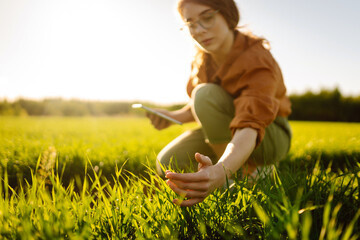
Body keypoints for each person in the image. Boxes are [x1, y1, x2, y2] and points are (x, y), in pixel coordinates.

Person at [146, 0, 292, 207]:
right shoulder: (202, 59)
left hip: (268, 133)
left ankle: (247, 173)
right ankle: (229, 171)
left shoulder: (258, 59)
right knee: (168, 163)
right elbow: (201, 104)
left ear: (228, 15)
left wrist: (222, 170)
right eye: (190, 24)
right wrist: (173, 117)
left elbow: (250, 123)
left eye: (207, 18)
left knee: (204, 94)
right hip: (229, 128)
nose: (199, 30)